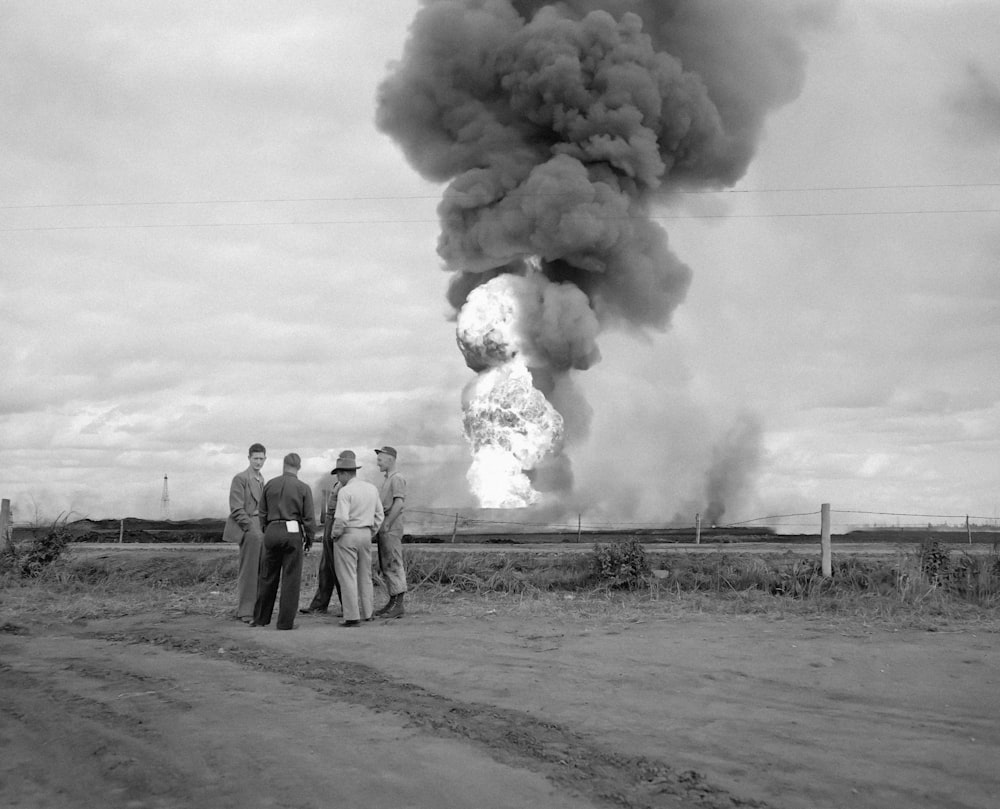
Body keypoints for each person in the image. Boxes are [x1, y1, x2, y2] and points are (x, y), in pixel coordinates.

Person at [251, 452, 316, 630]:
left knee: (267, 577)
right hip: (292, 532)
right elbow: (309, 518)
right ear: (299, 467)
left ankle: (260, 619)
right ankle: (285, 623)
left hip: (271, 530)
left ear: (283, 465)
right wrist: (309, 539)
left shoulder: (270, 484)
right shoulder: (303, 488)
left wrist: (267, 530)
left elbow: (262, 512)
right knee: (291, 579)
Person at [330, 451, 383, 627]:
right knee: (365, 575)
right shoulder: (371, 488)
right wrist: (370, 531)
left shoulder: (345, 491)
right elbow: (379, 515)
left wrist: (335, 534)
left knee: (347, 576)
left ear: (344, 473)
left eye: (338, 473)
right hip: (365, 535)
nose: (338, 477)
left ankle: (352, 616)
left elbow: (342, 519)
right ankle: (368, 612)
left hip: (348, 535)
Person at [299, 452, 351, 617]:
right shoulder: (339, 484)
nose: (338, 473)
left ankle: (348, 607)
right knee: (326, 567)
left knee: (338, 567)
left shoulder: (348, 487)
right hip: (330, 523)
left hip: (336, 524)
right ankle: (320, 604)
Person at [222, 443, 266, 623]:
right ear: (249, 458)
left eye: (261, 458)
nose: (258, 462)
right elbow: (235, 508)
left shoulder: (261, 479)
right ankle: (246, 611)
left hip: (261, 527)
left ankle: (257, 609)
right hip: (249, 528)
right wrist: (250, 528)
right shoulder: (240, 478)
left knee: (261, 570)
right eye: (255, 458)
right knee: (249, 571)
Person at [373, 445, 408, 619]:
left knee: (393, 562)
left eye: (380, 459)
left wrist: (387, 523)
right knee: (386, 563)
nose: (377, 462)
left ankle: (398, 604)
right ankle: (393, 601)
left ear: (390, 459)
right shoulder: (388, 479)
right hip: (386, 524)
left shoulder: (397, 478)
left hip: (391, 525)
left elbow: (399, 503)